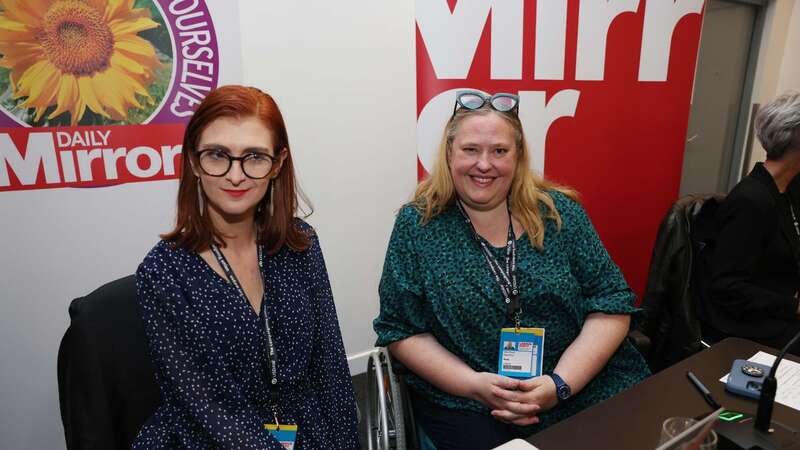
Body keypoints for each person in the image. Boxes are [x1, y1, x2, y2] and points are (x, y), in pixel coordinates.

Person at [373, 90, 650, 449]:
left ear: (518, 157)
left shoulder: (559, 214)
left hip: (580, 384)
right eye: (470, 150)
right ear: (449, 153)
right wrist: (474, 385)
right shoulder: (418, 226)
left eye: (499, 151)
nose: (484, 164)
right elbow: (400, 331)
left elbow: (611, 305)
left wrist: (559, 384)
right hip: (471, 401)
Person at [133, 85, 359, 449]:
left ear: (277, 164)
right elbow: (208, 410)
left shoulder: (300, 244)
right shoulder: (163, 273)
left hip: (303, 431)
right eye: (217, 155)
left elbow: (329, 368)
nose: (235, 175)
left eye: (254, 156)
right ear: (193, 161)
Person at [698, 91, 800, 353]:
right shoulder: (751, 201)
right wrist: (792, 306)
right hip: (746, 323)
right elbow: (726, 287)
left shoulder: (789, 189)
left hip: (778, 309)